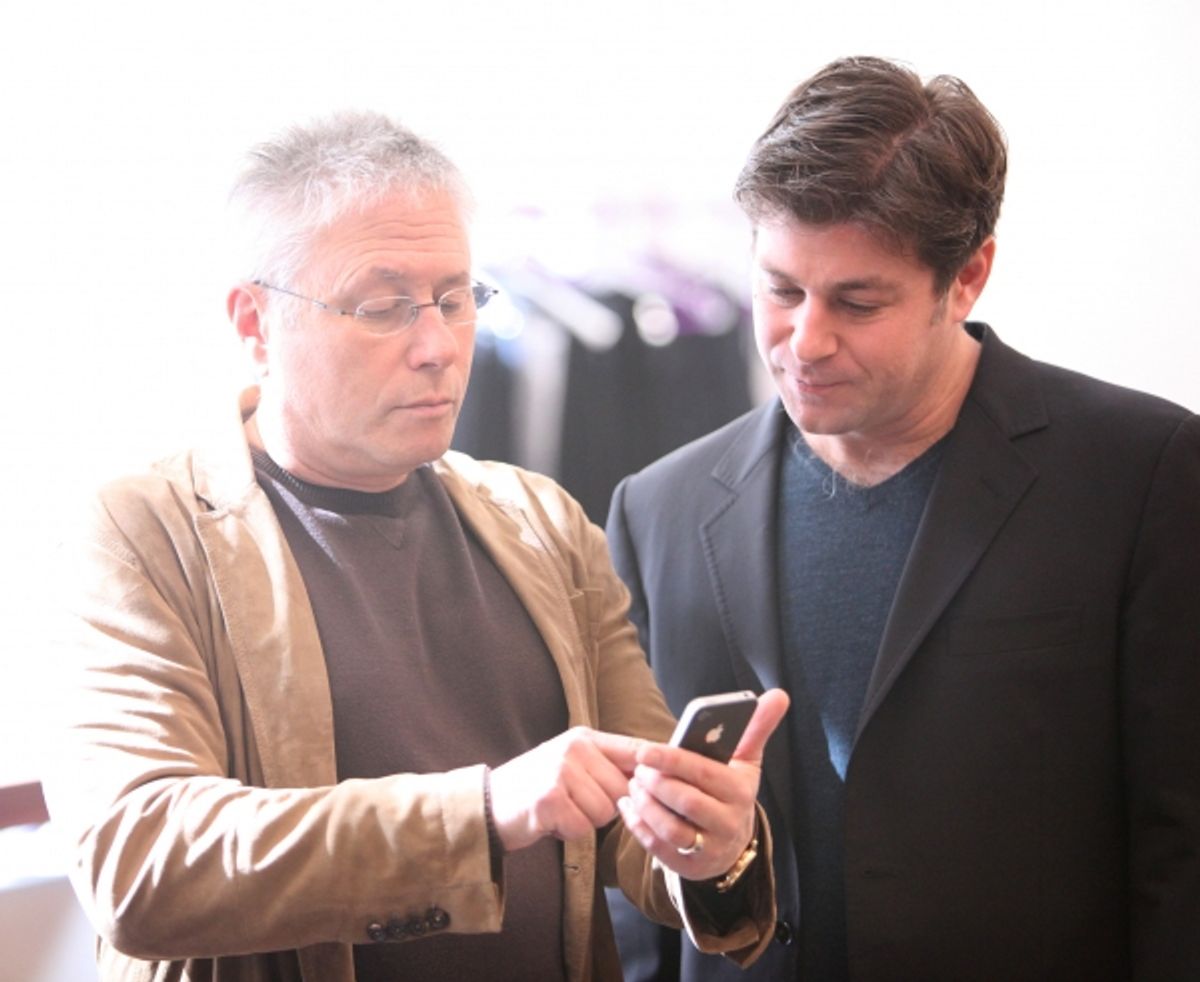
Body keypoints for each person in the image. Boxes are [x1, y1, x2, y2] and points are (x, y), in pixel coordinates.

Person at [41, 111, 790, 982]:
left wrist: (710, 845)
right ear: (254, 323)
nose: (437, 346)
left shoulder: (540, 523)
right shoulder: (145, 535)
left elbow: (634, 820)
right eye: (383, 306)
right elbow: (143, 863)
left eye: (454, 298)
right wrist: (481, 812)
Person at [605, 56, 1200, 981]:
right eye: (781, 290)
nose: (804, 342)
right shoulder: (659, 508)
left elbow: (1183, 839)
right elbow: (636, 860)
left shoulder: (1142, 473)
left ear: (967, 279)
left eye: (857, 301)